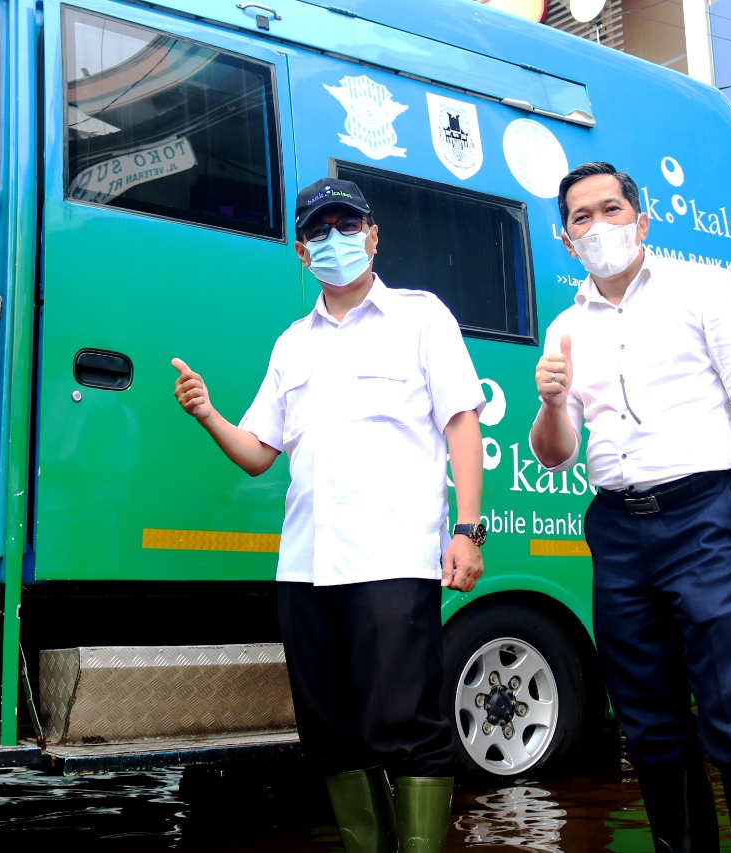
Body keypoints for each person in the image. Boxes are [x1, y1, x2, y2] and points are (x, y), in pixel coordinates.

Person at [172, 177, 487, 853]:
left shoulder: (421, 317)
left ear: (374, 235)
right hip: (307, 565)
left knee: (405, 724)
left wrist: (467, 529)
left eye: (348, 225)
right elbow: (259, 452)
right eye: (319, 230)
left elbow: (462, 421)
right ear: (300, 251)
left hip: (393, 560)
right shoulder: (293, 343)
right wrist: (206, 413)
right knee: (330, 732)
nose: (335, 240)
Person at [529, 162, 731, 853]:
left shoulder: (703, 286)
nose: (598, 225)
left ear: (641, 219)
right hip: (618, 528)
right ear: (567, 239)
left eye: (610, 208)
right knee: (647, 716)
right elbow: (555, 453)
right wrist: (551, 401)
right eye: (581, 218)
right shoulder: (565, 326)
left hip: (706, 511)